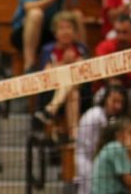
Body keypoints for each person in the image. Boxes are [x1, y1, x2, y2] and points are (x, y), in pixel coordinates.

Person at [32, 11, 90, 142]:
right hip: (53, 91)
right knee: (72, 92)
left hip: (82, 93)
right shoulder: (48, 50)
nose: (65, 31)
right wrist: (64, 62)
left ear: (75, 31)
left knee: (74, 89)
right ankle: (74, 134)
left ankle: (51, 110)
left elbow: (83, 73)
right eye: (61, 28)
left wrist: (72, 64)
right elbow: (48, 75)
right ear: (55, 32)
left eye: (69, 27)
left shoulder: (81, 49)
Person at [94, 16, 131, 125]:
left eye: (125, 32)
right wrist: (129, 71)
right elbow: (103, 74)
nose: (121, 36)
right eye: (118, 32)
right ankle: (109, 126)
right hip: (105, 91)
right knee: (115, 84)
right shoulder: (104, 46)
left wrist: (121, 72)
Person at [74, 85, 127, 194]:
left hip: (90, 161)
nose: (118, 106)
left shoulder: (102, 115)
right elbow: (97, 148)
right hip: (88, 162)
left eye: (120, 102)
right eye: (114, 101)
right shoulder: (97, 116)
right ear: (105, 100)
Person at [10, 0, 80, 71]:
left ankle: (81, 54)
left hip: (53, 30)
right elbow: (29, 6)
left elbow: (70, 12)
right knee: (35, 14)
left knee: (77, 15)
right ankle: (29, 66)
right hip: (25, 32)